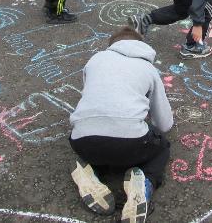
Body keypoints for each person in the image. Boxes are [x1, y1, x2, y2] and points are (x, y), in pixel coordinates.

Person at [69, 27, 173, 223]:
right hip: (130, 145)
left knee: (97, 141)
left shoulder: (95, 60)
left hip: (82, 141)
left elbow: (89, 95)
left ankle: (90, 172)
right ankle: (145, 183)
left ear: (112, 46)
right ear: (142, 46)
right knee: (162, 147)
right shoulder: (148, 68)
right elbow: (164, 123)